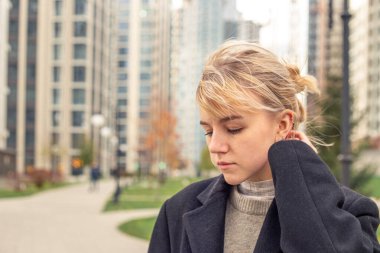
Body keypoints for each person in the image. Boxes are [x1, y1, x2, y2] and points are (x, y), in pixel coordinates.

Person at [148, 40, 380, 253]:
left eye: (234, 129)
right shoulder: (177, 211)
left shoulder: (352, 213)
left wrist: (298, 161)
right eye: (208, 131)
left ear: (282, 124)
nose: (215, 146)